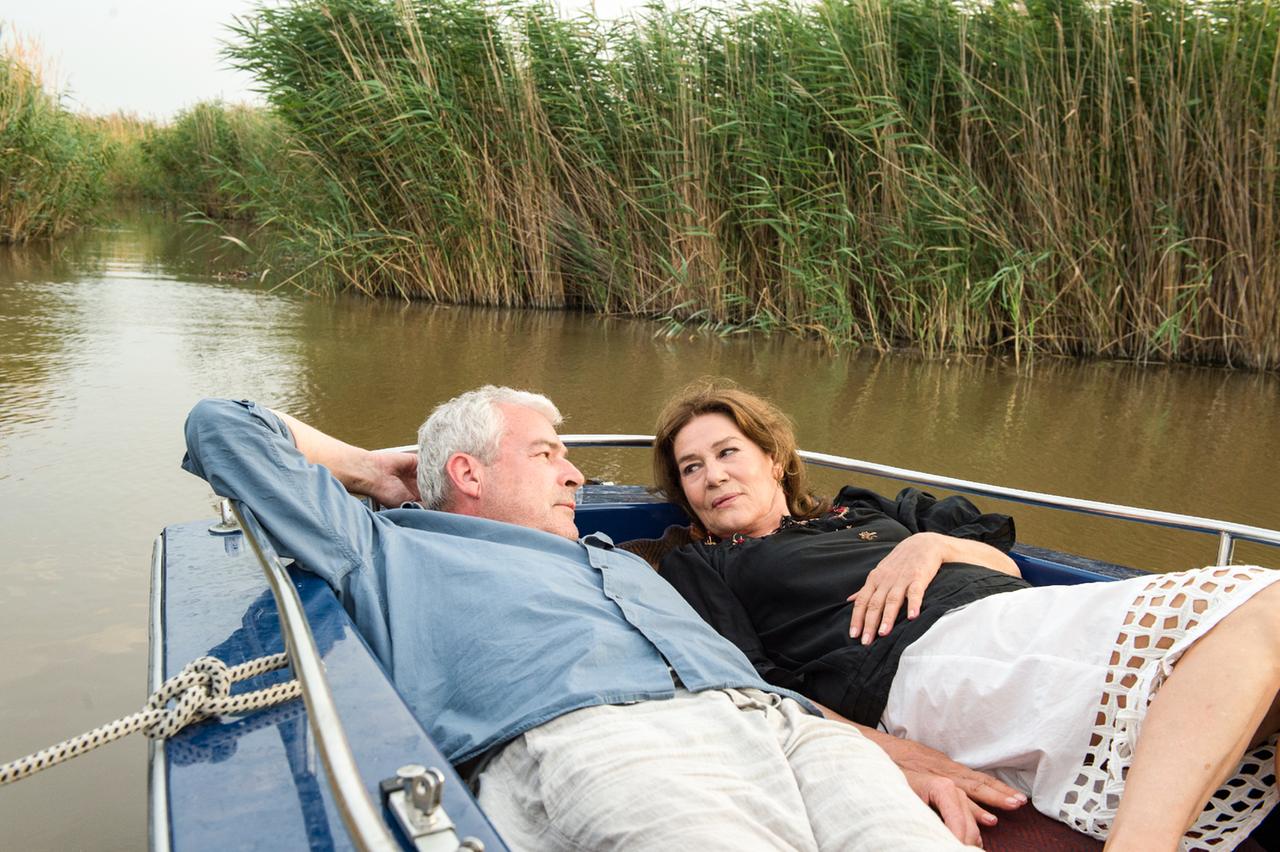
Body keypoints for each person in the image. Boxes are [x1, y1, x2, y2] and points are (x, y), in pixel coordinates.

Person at [181, 389, 979, 852]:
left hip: (780, 726)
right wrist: (372, 471)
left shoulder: (619, 557)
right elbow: (222, 426)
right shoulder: (387, 545)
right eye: (547, 455)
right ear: (467, 472)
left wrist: (880, 747)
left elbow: (747, 670)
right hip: (593, 732)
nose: (577, 471)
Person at [628, 378, 1280, 852]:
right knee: (1268, 611)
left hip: (1023, 615)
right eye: (691, 468)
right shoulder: (707, 566)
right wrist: (894, 753)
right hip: (925, 663)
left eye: (727, 452)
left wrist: (931, 543)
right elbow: (753, 687)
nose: (712, 476)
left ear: (773, 457)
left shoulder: (861, 511)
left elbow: (1009, 568)